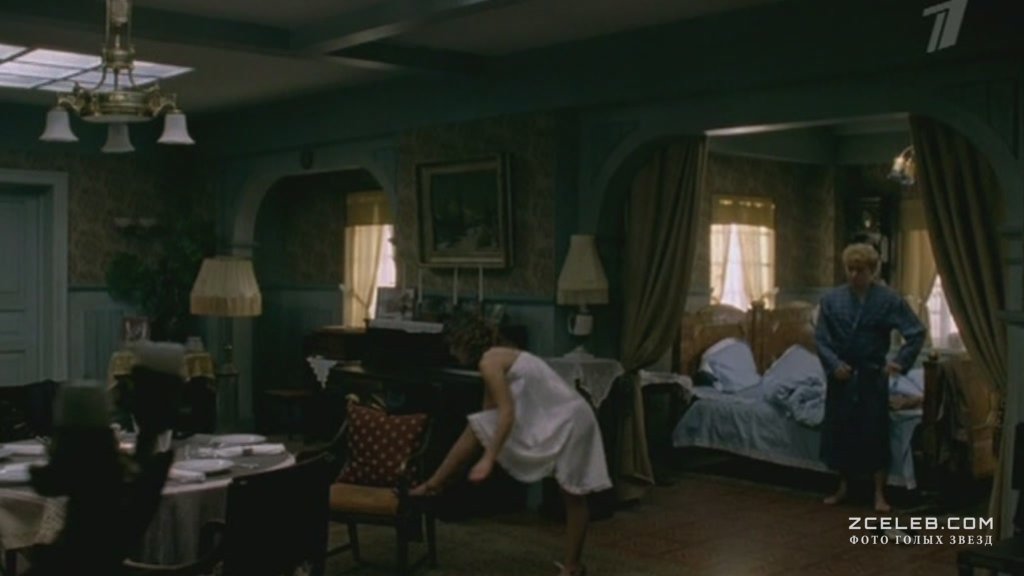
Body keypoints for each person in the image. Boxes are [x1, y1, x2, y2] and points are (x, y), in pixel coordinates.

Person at [410, 315, 611, 576]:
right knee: (476, 425)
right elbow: (487, 414)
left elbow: (506, 413)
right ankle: (434, 484)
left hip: (571, 420)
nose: (450, 352)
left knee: (572, 493)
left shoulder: (490, 362)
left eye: (451, 345)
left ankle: (572, 567)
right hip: (554, 417)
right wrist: (476, 454)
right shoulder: (496, 356)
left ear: (463, 342)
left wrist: (488, 459)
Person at [815, 243, 925, 513]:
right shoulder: (831, 300)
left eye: (860, 270)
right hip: (841, 375)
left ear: (872, 271)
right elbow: (821, 339)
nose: (854, 275)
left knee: (875, 433)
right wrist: (833, 365)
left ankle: (879, 493)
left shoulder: (888, 300)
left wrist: (899, 362)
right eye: (850, 269)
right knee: (840, 431)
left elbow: (916, 332)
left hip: (871, 375)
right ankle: (843, 487)